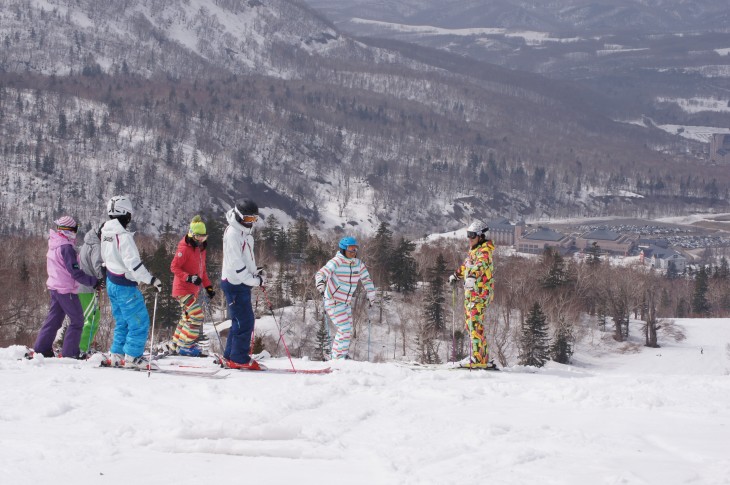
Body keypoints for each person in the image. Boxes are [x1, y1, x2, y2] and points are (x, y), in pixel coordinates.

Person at [100, 195, 162, 369]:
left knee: (122, 321)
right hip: (124, 285)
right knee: (139, 321)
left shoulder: (106, 233)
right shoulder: (123, 237)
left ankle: (117, 354)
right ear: (125, 214)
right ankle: (133, 357)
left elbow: (104, 257)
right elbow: (133, 264)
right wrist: (151, 280)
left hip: (112, 281)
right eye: (129, 214)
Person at [33, 216, 100, 358]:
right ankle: (70, 353)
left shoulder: (54, 243)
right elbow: (75, 272)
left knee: (54, 320)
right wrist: (93, 281)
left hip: (55, 287)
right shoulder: (66, 248)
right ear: (67, 230)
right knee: (77, 321)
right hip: (66, 290)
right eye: (75, 229)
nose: (76, 232)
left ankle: (41, 349)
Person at [219, 200, 265, 370]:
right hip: (235, 283)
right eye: (247, 218)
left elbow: (246, 258)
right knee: (245, 321)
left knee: (240, 321)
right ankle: (238, 358)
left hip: (240, 283)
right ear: (238, 215)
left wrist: (255, 272)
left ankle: (231, 356)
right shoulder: (233, 234)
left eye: (254, 219)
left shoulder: (242, 232)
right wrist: (255, 280)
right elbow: (237, 266)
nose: (250, 222)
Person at [315, 236, 377, 360]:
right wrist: (320, 283)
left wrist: (371, 294)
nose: (353, 252)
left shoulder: (358, 264)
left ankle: (339, 355)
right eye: (350, 249)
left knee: (347, 330)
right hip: (333, 300)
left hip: (346, 302)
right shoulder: (336, 262)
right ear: (343, 249)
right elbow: (321, 273)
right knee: (344, 328)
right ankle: (337, 357)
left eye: (355, 249)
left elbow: (366, 279)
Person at [449, 220, 495, 368]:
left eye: (472, 236)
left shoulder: (485, 252)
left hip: (480, 293)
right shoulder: (474, 251)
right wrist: (456, 275)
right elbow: (467, 266)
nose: (469, 239)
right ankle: (480, 356)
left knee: (474, 323)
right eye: (468, 235)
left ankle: (478, 359)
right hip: (472, 293)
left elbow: (480, 265)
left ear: (481, 236)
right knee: (471, 325)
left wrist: (473, 277)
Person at [167, 215, 215, 357]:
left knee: (187, 317)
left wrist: (208, 287)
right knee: (197, 316)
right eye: (198, 237)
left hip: (192, 290)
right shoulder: (185, 249)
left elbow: (202, 271)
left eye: (204, 237)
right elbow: (174, 267)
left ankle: (176, 344)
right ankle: (186, 345)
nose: (201, 240)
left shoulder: (201, 250)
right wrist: (188, 277)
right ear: (192, 234)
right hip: (182, 289)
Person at [77, 223, 106, 355]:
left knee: (88, 318)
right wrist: (102, 279)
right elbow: (97, 265)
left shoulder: (88, 242)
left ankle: (79, 346)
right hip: (87, 288)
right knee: (93, 319)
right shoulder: (96, 246)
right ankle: (81, 348)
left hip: (84, 286)